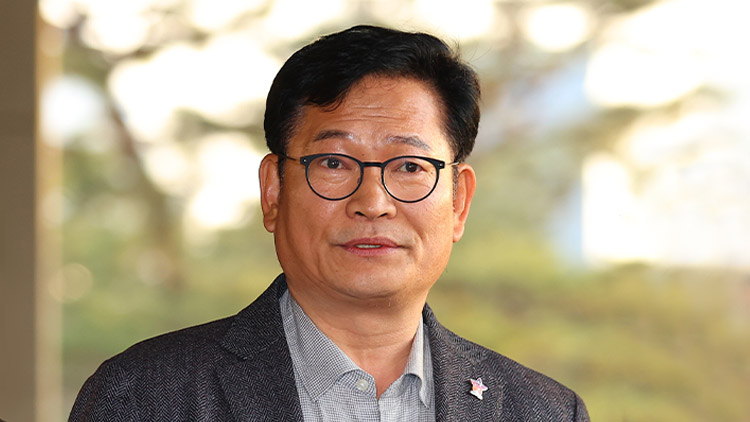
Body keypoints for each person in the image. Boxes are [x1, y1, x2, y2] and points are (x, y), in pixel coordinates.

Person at [70, 25, 590, 421]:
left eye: (410, 167)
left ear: (458, 203)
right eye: (334, 163)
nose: (373, 202)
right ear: (273, 191)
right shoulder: (144, 397)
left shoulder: (542, 411)